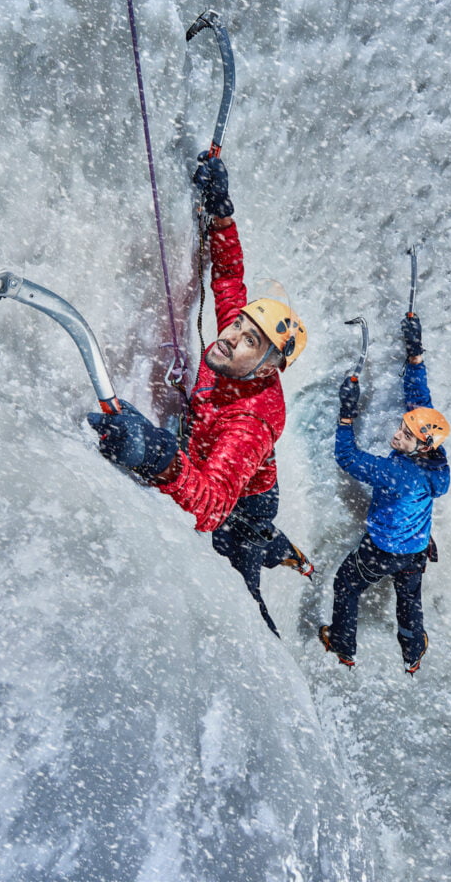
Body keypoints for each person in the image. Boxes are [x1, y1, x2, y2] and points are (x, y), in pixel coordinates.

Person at [88, 155, 313, 636]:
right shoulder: (236, 350)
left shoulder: (250, 422)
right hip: (231, 477)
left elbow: (211, 508)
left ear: (268, 367)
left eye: (249, 339)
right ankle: (281, 549)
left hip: (243, 503)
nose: (230, 335)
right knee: (258, 538)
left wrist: (158, 457)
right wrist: (222, 213)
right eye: (238, 325)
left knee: (243, 598)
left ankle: (272, 646)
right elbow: (229, 279)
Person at [319, 313, 450, 673]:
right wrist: (415, 356)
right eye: (403, 427)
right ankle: (413, 653)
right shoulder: (435, 460)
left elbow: (348, 458)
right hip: (416, 548)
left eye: (406, 435)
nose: (398, 435)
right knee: (408, 600)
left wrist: (346, 416)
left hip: (383, 550)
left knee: (346, 585)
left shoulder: (395, 473)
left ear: (421, 446)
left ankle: (343, 645)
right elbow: (420, 402)